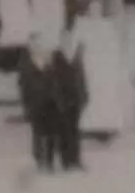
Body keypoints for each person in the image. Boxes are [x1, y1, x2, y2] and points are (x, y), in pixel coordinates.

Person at [67, 0, 129, 144]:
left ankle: (108, 126)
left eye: (99, 7)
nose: (96, 10)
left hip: (106, 65)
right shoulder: (83, 23)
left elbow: (115, 44)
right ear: (89, 9)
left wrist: (117, 64)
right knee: (94, 94)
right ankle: (92, 127)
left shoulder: (107, 24)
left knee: (108, 93)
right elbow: (73, 44)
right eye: (93, 7)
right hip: (92, 64)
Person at [25, 29, 89, 173]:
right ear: (60, 40)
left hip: (75, 99)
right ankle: (55, 161)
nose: (67, 41)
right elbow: (53, 80)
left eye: (69, 38)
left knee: (74, 132)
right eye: (64, 39)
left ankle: (74, 161)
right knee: (58, 133)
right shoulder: (55, 56)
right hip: (60, 100)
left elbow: (81, 76)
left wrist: (84, 95)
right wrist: (57, 98)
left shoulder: (76, 54)